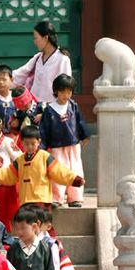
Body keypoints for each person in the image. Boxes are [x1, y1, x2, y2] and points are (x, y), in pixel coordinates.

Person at [0, 124, 84, 209]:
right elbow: (8, 175)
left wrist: (74, 180)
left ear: (39, 142)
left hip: (42, 200)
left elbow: (60, 172)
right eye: (26, 144)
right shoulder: (20, 160)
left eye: (33, 144)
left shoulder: (45, 157)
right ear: (22, 143)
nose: (29, 147)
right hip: (25, 201)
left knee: (42, 228)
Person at [39, 74, 90, 208]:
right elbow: (43, 130)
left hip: (73, 144)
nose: (66, 95)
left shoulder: (73, 106)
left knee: (75, 171)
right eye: (63, 91)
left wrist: (85, 136)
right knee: (57, 171)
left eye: (69, 91)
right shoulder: (49, 110)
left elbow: (80, 122)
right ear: (56, 91)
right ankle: (57, 197)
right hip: (56, 146)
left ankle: (75, 198)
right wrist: (42, 148)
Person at [12, 20, 72, 104]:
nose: (35, 41)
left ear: (45, 38)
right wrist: (3, 79)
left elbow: (66, 87)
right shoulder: (38, 57)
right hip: (34, 106)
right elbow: (20, 74)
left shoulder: (62, 59)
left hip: (52, 108)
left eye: (36, 38)